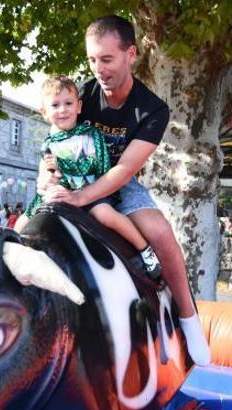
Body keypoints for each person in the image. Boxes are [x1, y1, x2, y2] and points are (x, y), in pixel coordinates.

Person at [39, 16, 209, 364]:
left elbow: (124, 170)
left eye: (106, 59)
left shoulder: (152, 110)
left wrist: (82, 198)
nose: (98, 68)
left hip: (117, 184)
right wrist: (48, 174)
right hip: (75, 178)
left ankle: (189, 320)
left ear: (130, 54)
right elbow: (55, 140)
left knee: (161, 232)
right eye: (91, 60)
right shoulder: (82, 94)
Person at [20, 75, 163, 279]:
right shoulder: (49, 143)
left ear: (79, 107)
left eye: (68, 103)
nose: (62, 110)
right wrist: (47, 178)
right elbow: (47, 169)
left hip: (89, 190)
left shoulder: (89, 135)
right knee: (22, 223)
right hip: (61, 193)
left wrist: (64, 165)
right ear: (44, 112)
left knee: (105, 215)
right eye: (55, 105)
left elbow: (96, 164)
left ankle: (145, 250)